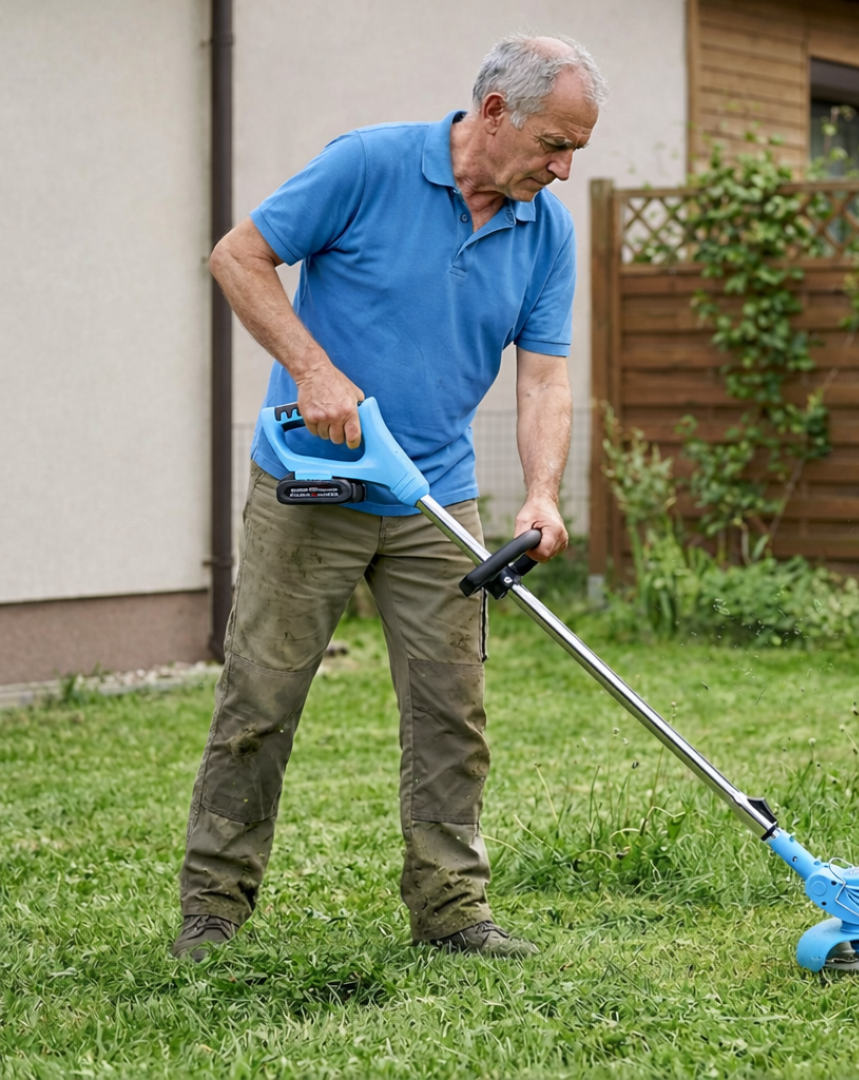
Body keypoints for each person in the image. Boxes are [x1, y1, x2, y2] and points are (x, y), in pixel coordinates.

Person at [172, 34, 605, 961]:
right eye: (553, 144)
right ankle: (213, 909)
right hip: (314, 481)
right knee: (262, 699)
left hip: (433, 495)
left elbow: (543, 379)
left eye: (576, 150)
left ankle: (452, 912)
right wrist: (312, 370)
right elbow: (239, 257)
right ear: (495, 112)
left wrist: (540, 492)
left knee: (454, 709)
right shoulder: (369, 164)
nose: (564, 169)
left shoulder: (546, 231)